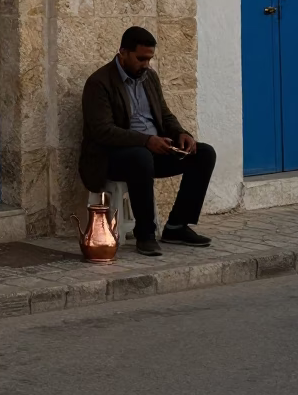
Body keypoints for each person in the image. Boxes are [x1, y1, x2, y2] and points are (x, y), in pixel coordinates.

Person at [79, 26, 217, 256]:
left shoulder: (149, 78)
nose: (146, 64)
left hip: (151, 149)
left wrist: (182, 134)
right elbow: (103, 131)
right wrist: (146, 141)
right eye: (141, 59)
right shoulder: (99, 83)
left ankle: (176, 226)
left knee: (203, 154)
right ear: (122, 52)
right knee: (140, 157)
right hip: (112, 156)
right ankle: (145, 234)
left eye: (149, 59)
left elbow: (165, 115)